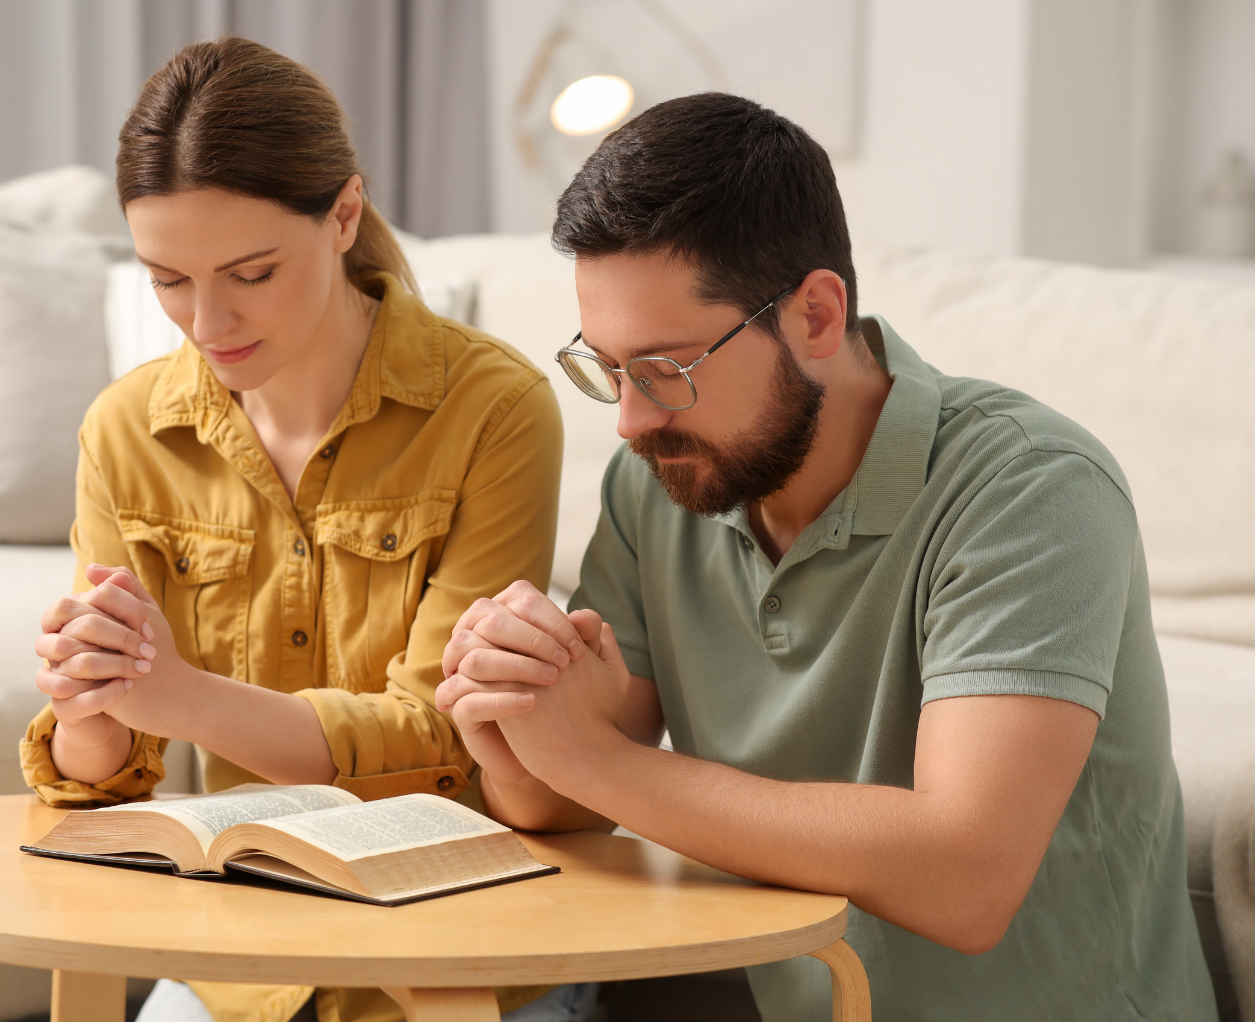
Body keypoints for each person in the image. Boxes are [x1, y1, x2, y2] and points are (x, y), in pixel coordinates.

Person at [435, 93, 1219, 1021]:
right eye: (606, 368)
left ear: (815, 314)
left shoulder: (1033, 490)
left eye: (666, 370)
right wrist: (517, 725)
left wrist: (592, 761)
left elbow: (964, 880)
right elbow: (571, 802)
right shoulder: (662, 482)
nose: (630, 419)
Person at [18, 38, 596, 1022]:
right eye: (167, 279)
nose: (207, 319)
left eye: (251, 272)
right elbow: (102, 783)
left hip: (455, 951)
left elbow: (448, 740)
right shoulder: (126, 430)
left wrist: (186, 700)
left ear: (343, 215)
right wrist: (88, 704)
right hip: (246, 962)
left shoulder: (493, 409)